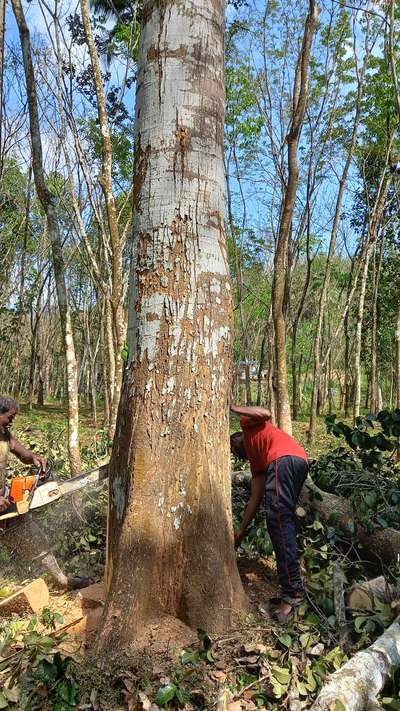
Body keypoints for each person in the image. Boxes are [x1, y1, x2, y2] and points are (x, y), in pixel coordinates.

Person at [0, 396, 92, 591]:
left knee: (36, 538)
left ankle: (61, 580)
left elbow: (22, 453)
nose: (11, 422)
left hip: (5, 501)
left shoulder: (5, 434)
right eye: (9, 417)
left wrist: (33, 457)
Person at [230, 403, 309, 623]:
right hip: (298, 461)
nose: (234, 452)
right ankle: (295, 585)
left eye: (233, 446)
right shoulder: (258, 465)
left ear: (237, 438)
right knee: (281, 521)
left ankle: (294, 595)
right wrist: (240, 533)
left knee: (279, 523)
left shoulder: (248, 425)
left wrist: (232, 406)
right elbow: (254, 500)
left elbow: (266, 412)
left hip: (283, 460)